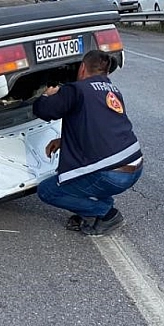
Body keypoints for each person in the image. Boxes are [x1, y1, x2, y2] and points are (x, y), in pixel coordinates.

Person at [32, 50, 143, 236]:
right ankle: (95, 210)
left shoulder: (76, 89)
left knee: (47, 190)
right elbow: (100, 127)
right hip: (135, 168)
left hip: (111, 175)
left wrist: (46, 95)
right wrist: (63, 141)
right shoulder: (113, 90)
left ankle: (106, 213)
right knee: (89, 175)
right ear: (105, 72)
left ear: (82, 68)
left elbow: (44, 111)